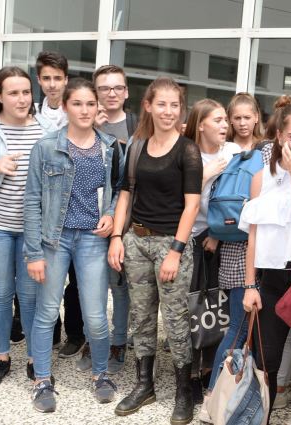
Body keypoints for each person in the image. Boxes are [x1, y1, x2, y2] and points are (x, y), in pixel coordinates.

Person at [23, 78, 123, 412]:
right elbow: (33, 200)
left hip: (92, 241)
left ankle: (100, 374)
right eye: (77, 103)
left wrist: (110, 214)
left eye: (90, 103)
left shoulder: (110, 147)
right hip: (55, 239)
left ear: (98, 108)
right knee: (47, 312)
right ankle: (41, 380)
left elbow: (118, 190)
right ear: (65, 106)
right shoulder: (47, 146)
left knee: (95, 317)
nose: (84, 110)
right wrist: (34, 252)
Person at [108, 77, 202, 425]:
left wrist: (176, 251)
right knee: (141, 317)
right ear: (148, 105)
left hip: (170, 243)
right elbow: (126, 194)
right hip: (136, 241)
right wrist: (118, 236)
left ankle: (183, 393)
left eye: (174, 105)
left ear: (181, 110)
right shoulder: (137, 146)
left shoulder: (187, 150)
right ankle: (144, 385)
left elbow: (192, 206)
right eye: (161, 104)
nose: (168, 111)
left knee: (176, 320)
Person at [0, 66, 56, 389]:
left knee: (31, 297)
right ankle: (1, 356)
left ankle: (35, 358)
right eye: (13, 93)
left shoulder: (46, 128)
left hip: (34, 230)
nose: (21, 98)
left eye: (26, 92)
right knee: (1, 295)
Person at [240, 97, 291, 424]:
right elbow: (253, 237)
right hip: (270, 282)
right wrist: (250, 285)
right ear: (280, 136)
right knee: (265, 364)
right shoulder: (261, 177)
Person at [76, 64, 139, 375]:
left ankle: (118, 341)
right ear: (95, 92)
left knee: (120, 286)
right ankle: (92, 339)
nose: (111, 93)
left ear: (126, 92)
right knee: (92, 286)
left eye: (117, 87)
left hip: (126, 222)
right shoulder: (82, 123)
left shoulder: (140, 127)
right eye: (104, 88)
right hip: (87, 223)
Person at [207, 92, 266, 393]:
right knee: (238, 327)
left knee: (249, 327)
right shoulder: (225, 151)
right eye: (237, 118)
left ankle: (237, 389)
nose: (243, 123)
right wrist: (214, 233)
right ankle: (217, 390)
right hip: (237, 246)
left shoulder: (268, 150)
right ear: (230, 119)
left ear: (257, 117)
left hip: (260, 245)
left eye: (247, 117)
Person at [183, 98, 240, 401]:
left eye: (224, 120)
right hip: (187, 237)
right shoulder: (185, 152)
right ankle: (189, 371)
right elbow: (174, 199)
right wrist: (204, 176)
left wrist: (217, 234)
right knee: (192, 305)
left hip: (219, 239)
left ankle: (208, 370)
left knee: (216, 307)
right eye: (217, 120)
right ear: (200, 124)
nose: (224, 125)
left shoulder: (234, 153)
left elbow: (239, 201)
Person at [33, 51, 87, 358]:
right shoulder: (31, 115)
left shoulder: (77, 113)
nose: (52, 85)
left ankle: (74, 333)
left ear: (66, 80)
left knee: (76, 280)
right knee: (46, 276)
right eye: (47, 78)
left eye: (58, 78)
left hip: (74, 208)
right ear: (39, 80)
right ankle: (49, 332)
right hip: (42, 205)